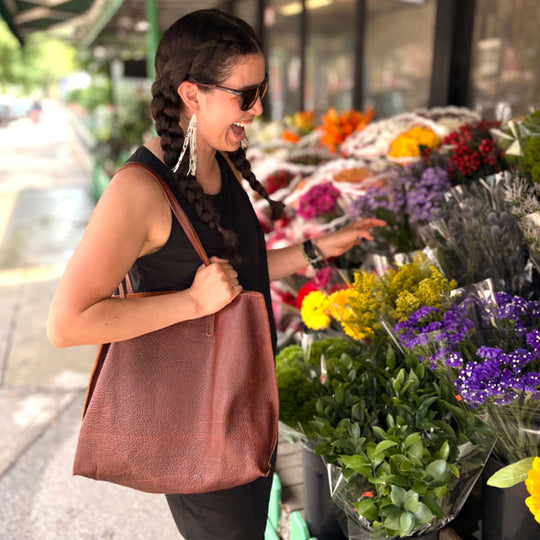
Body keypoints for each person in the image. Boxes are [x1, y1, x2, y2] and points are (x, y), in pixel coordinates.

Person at [47, 9, 384, 540]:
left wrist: (317, 249)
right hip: (195, 423)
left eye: (262, 90)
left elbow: (236, 277)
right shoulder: (138, 191)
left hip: (244, 403)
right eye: (245, 95)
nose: (258, 108)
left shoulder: (217, 159)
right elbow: (66, 324)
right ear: (192, 95)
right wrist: (190, 304)